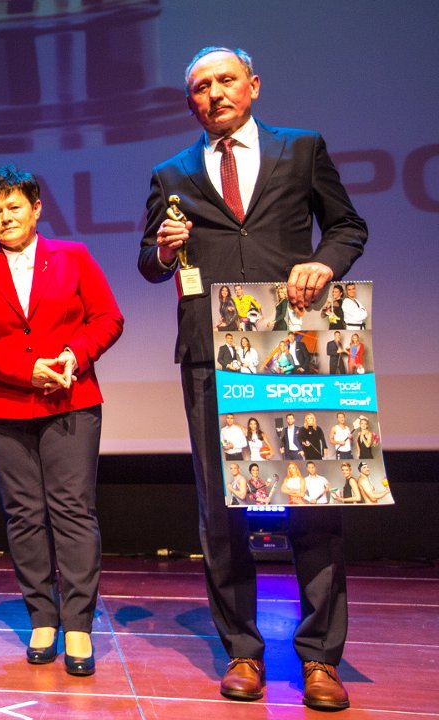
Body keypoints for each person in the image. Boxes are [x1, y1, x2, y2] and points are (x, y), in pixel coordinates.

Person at [137, 47, 366, 709]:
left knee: (311, 502)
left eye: (226, 80)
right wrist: (163, 249)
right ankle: (242, 651)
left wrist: (323, 264)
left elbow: (348, 225)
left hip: (293, 344)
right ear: (191, 102)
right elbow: (152, 265)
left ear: (254, 87)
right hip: (213, 351)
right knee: (222, 509)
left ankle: (321, 658)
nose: (214, 93)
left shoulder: (302, 149)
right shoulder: (170, 172)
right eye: (201, 87)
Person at [0, 165, 123, 677]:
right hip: (8, 407)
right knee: (25, 514)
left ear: (36, 209)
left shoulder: (73, 257)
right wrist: (27, 372)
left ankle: (77, 623)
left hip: (72, 402)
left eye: (14, 207)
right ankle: (41, 616)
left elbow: (108, 318)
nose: (4, 217)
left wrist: (72, 357)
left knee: (72, 511)